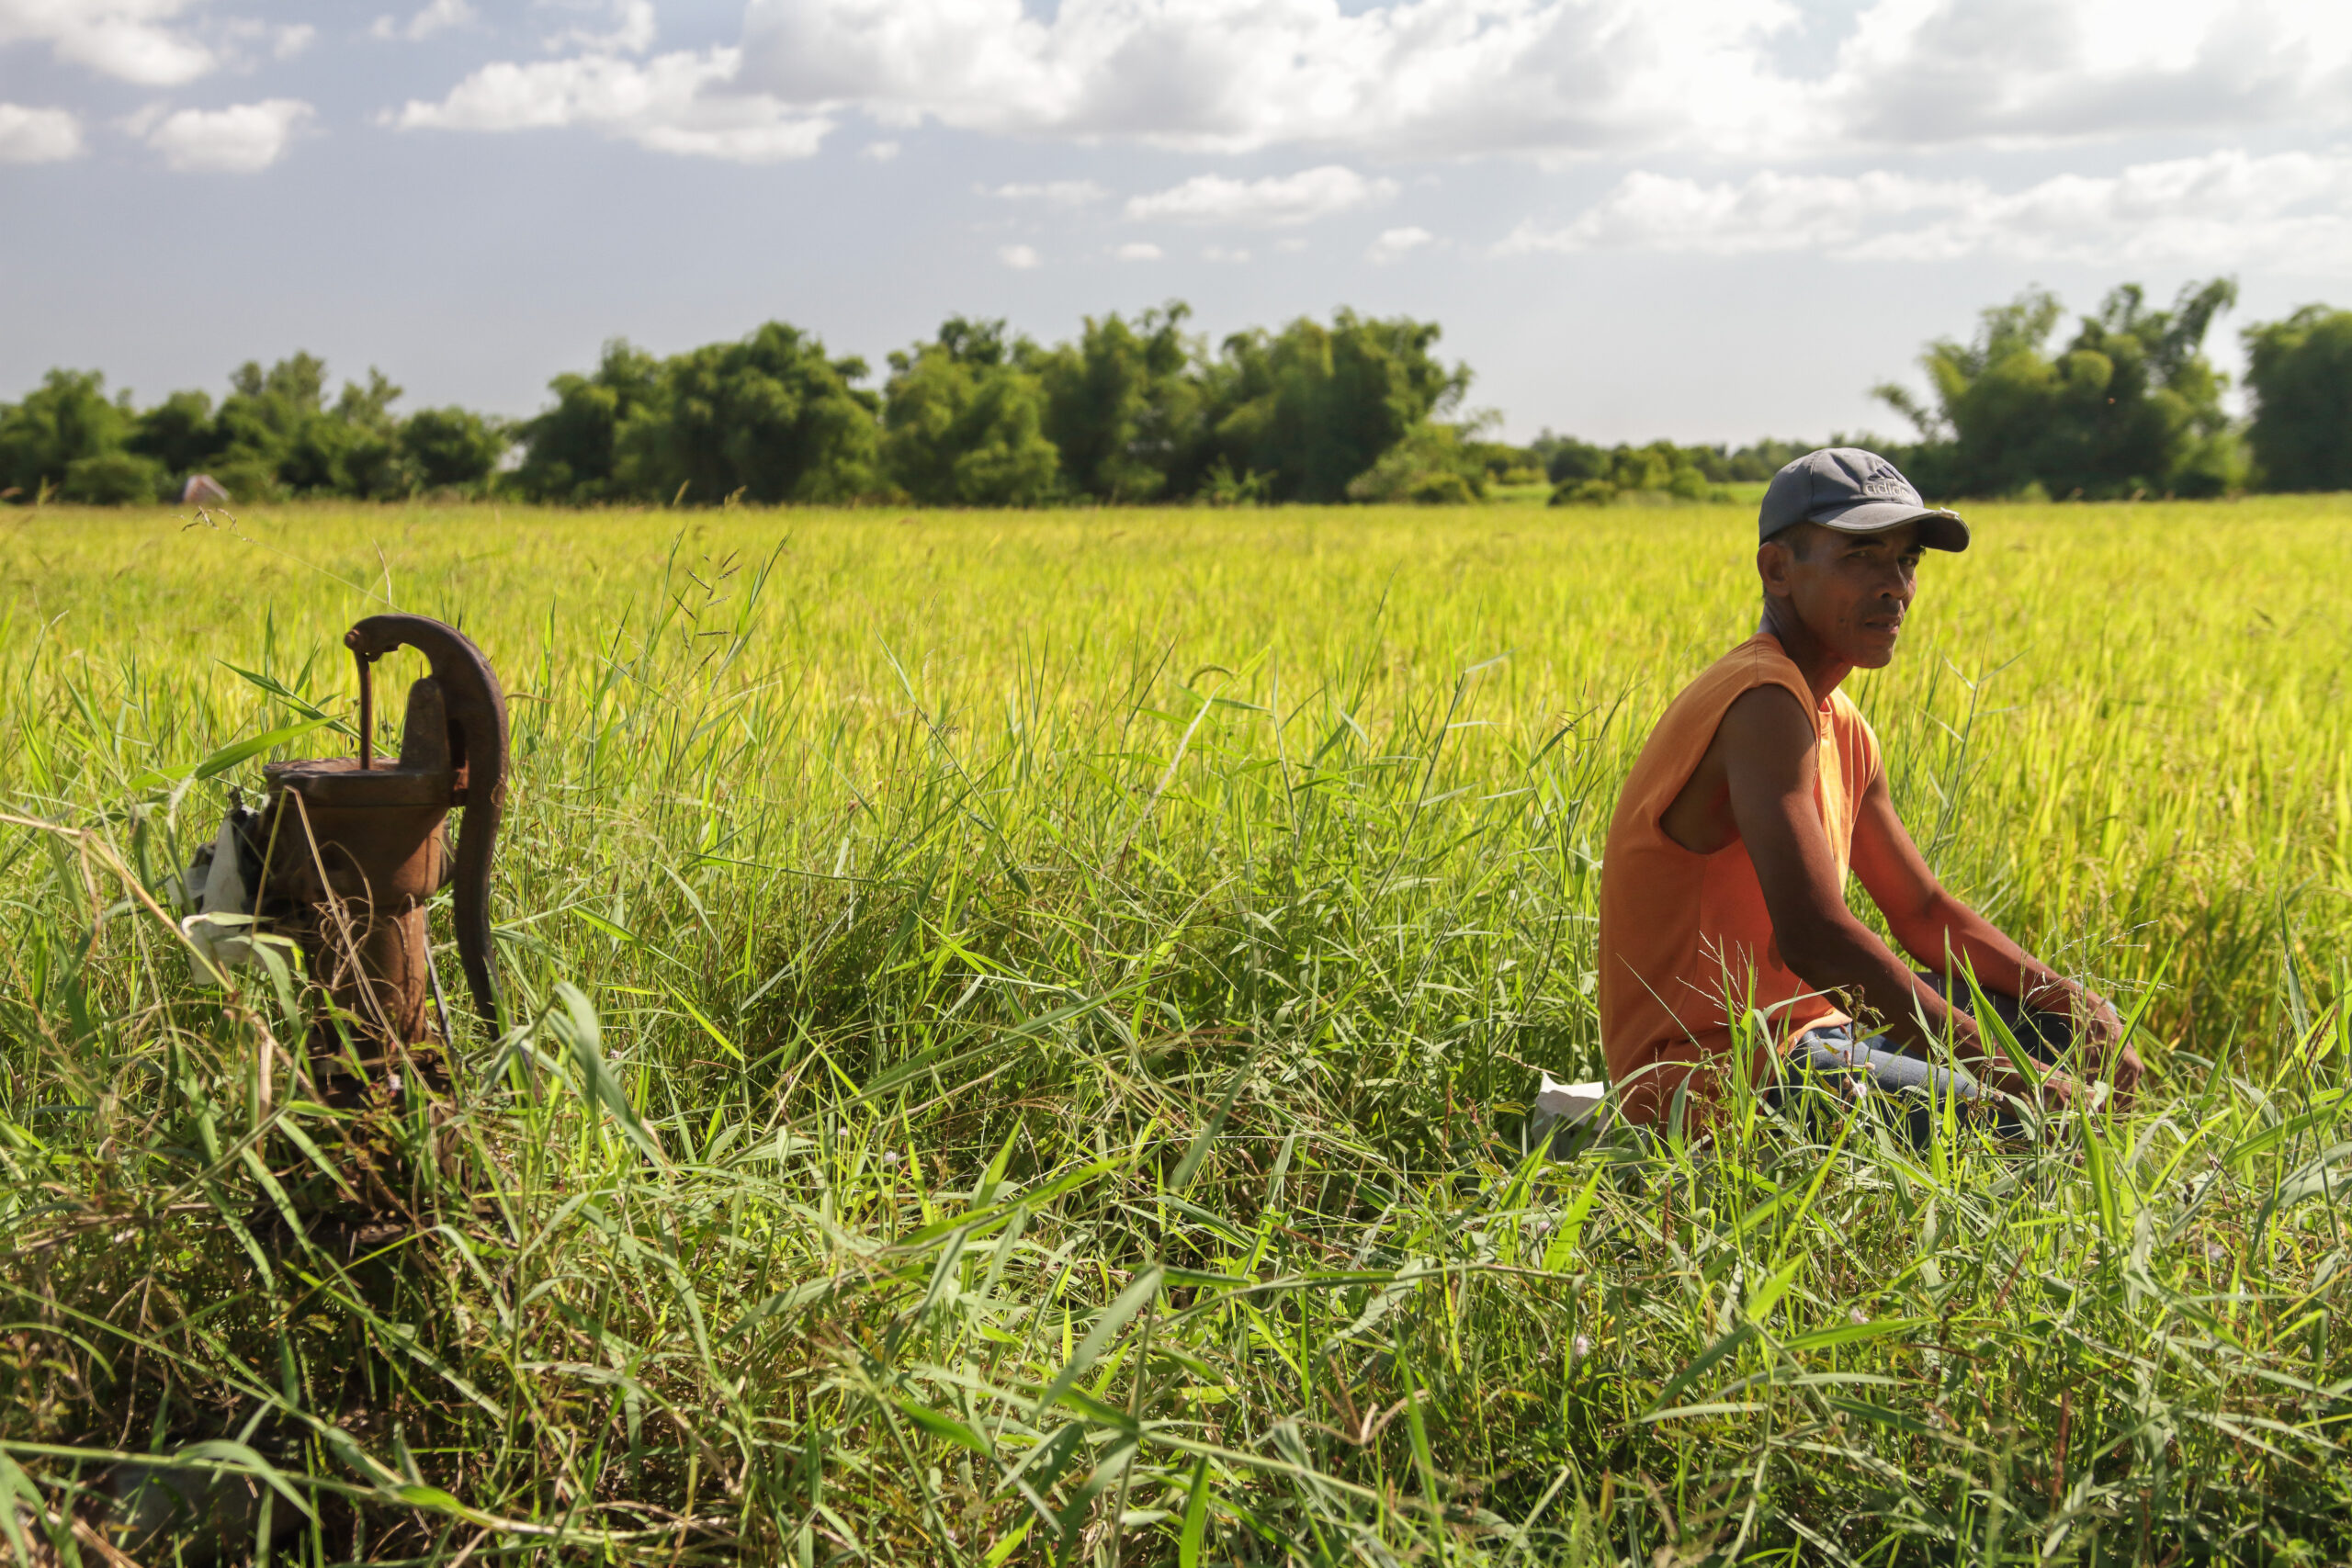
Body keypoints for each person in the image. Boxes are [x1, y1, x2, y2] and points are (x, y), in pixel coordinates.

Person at [1595, 447, 2144, 1134]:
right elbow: (1816, 937)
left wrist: (2075, 1002)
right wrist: (2006, 1072)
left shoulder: (1837, 718)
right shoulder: (1761, 701)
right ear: (1777, 570)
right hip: (1714, 1075)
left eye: (1907, 560)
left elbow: (1922, 910)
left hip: (1818, 1035)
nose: (1896, 587)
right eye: (1861, 556)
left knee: (2054, 1028)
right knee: (2025, 1122)